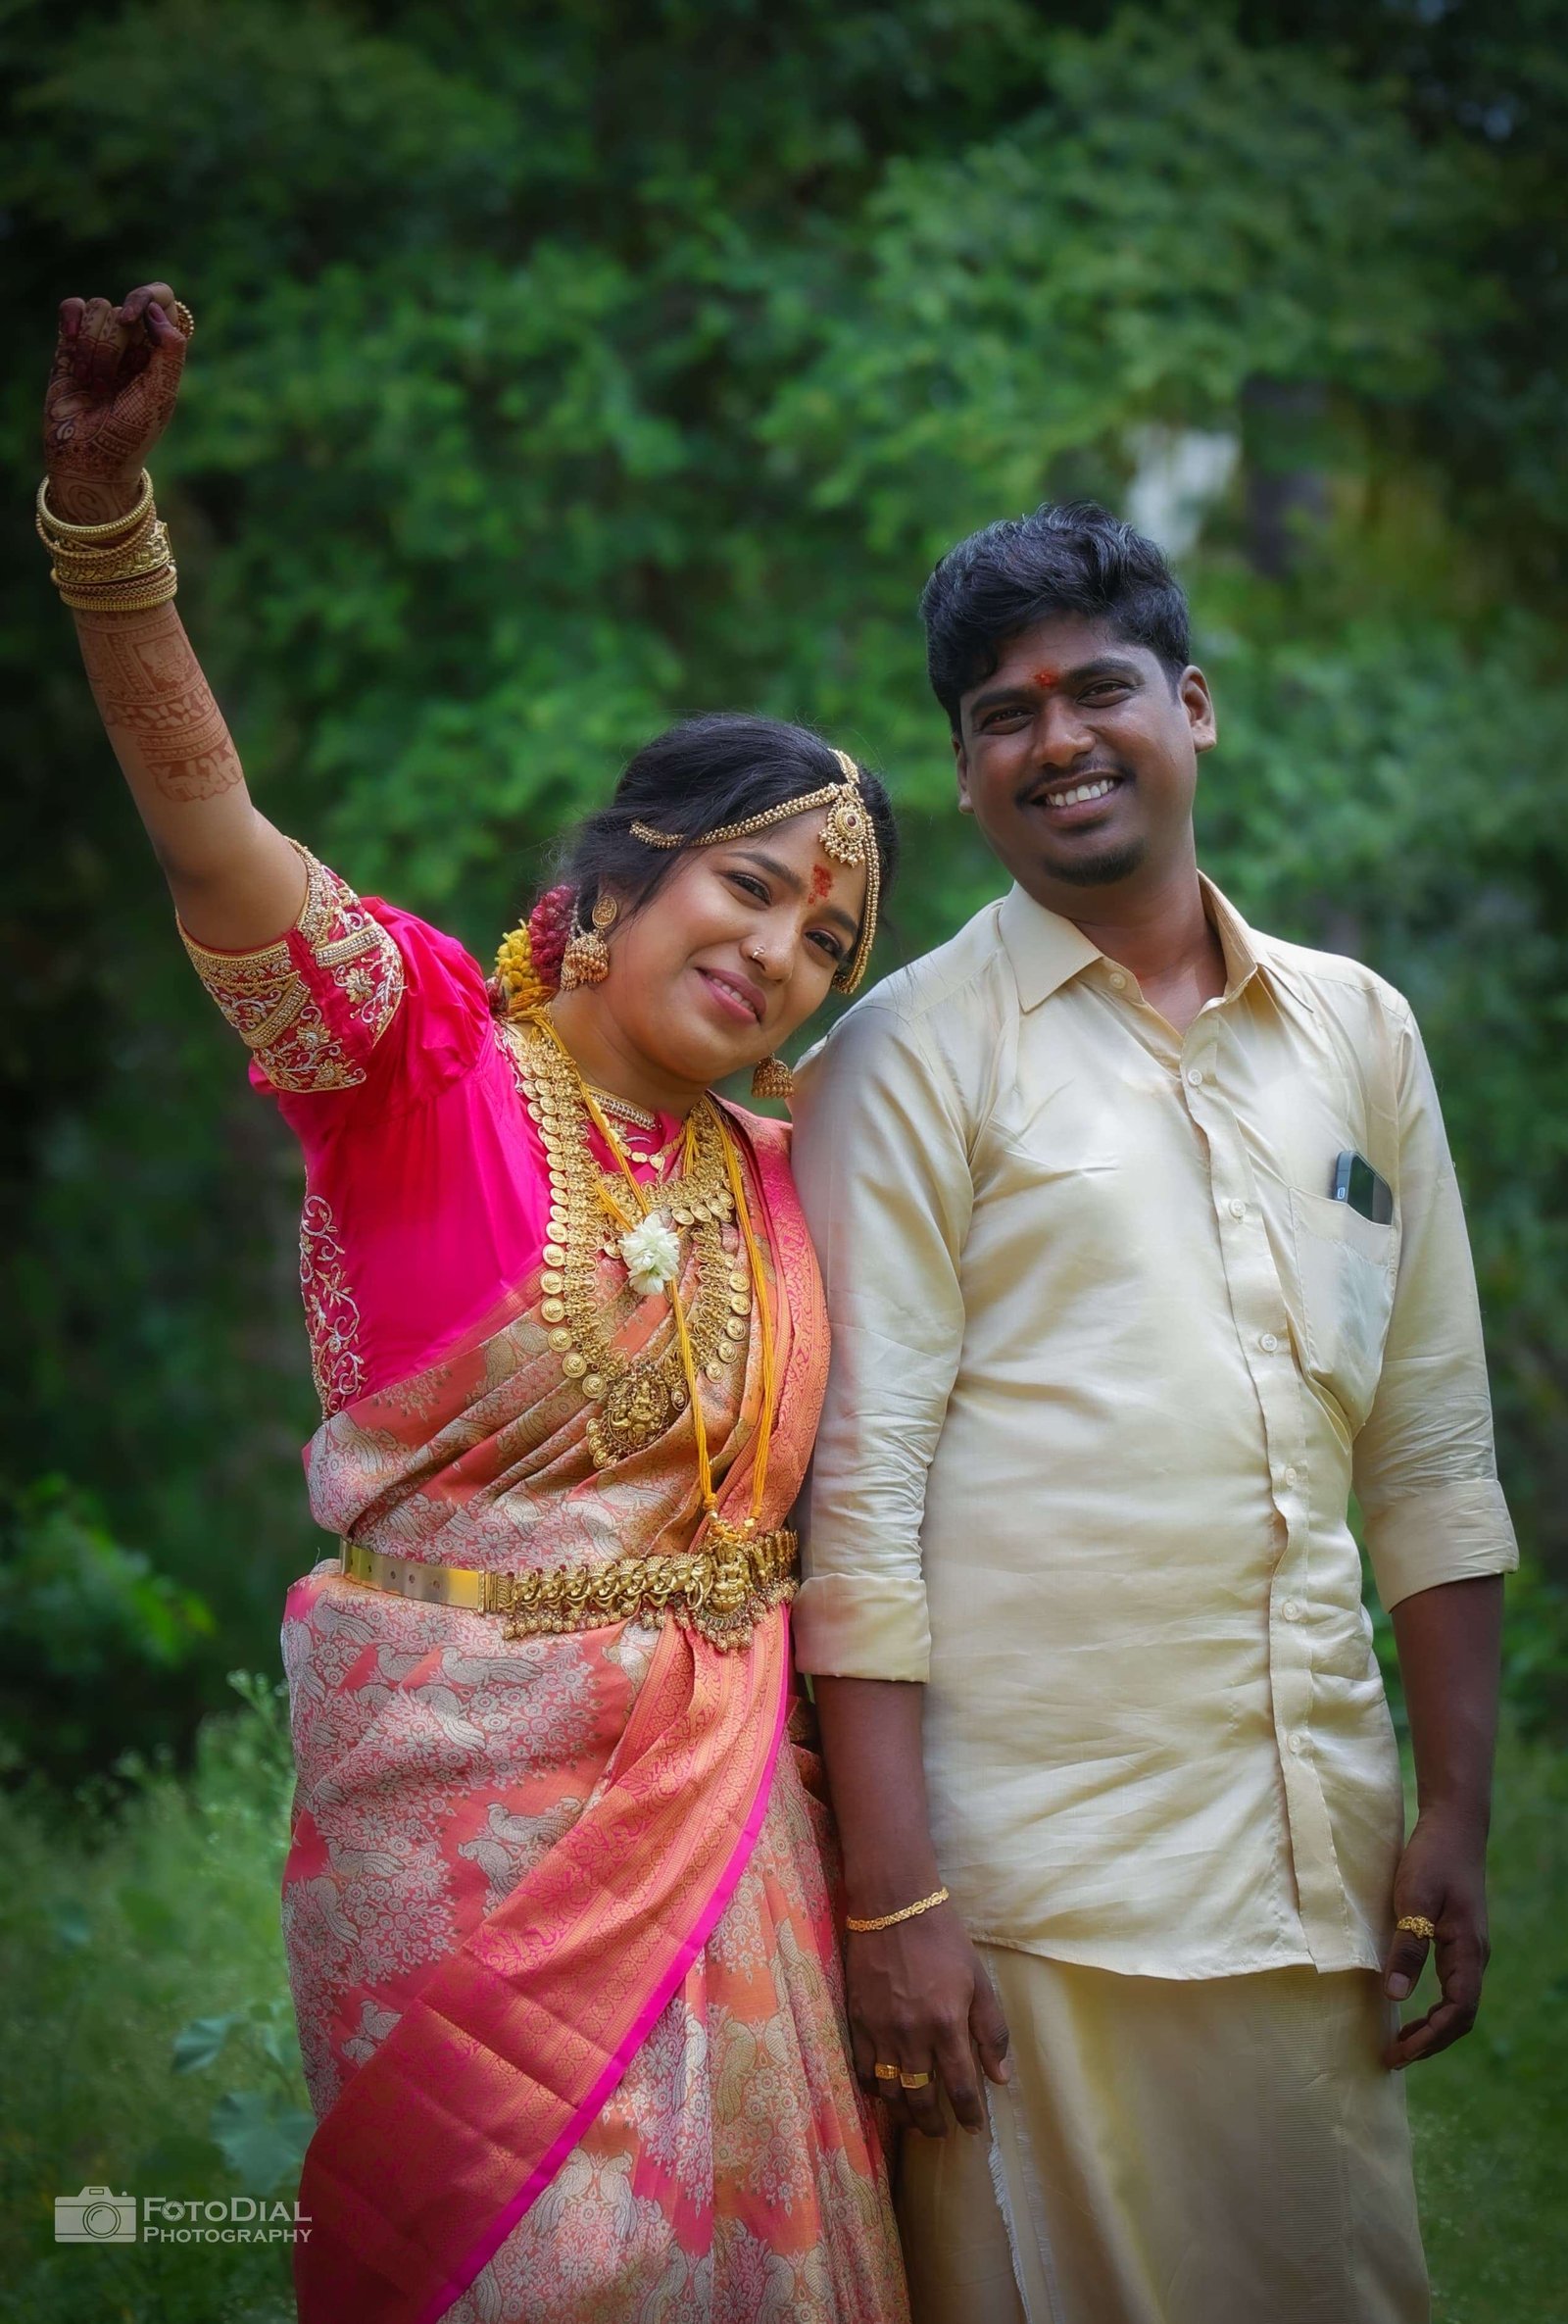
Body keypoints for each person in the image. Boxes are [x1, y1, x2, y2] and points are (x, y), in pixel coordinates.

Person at [38, 282, 910, 2324]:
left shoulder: (792, 1178)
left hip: (730, 1825)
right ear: (614, 888)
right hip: (457, 1834)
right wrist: (104, 529)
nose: (781, 952)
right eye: (751, 884)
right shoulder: (419, 1064)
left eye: (827, 941)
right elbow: (213, 842)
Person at [788, 500, 1517, 2324]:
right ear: (968, 775)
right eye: (1003, 716)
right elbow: (857, 1497)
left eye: (1096, 689)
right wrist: (894, 1903)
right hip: (1029, 1896)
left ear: (1192, 706)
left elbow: (1431, 1448)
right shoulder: (902, 1056)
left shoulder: (1358, 1031)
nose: (1057, 741)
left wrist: (1456, 1810)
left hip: (1313, 1857)